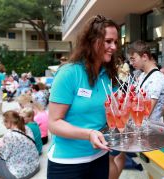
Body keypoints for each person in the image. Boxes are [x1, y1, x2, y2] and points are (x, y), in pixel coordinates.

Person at [47, 15, 119, 179]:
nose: (113, 47)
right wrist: (88, 134)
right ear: (92, 41)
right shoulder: (69, 73)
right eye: (108, 41)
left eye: (115, 42)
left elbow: (112, 117)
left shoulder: (109, 76)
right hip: (67, 163)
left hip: (100, 157)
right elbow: (54, 123)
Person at [128, 40, 164, 122]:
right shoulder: (143, 75)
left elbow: (146, 112)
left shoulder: (156, 78)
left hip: (149, 129)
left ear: (144, 57)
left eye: (133, 59)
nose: (131, 63)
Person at [0, 110, 39, 179]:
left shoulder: (9, 136)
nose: (3, 123)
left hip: (20, 174)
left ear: (9, 122)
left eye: (4, 121)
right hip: (35, 167)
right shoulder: (26, 128)